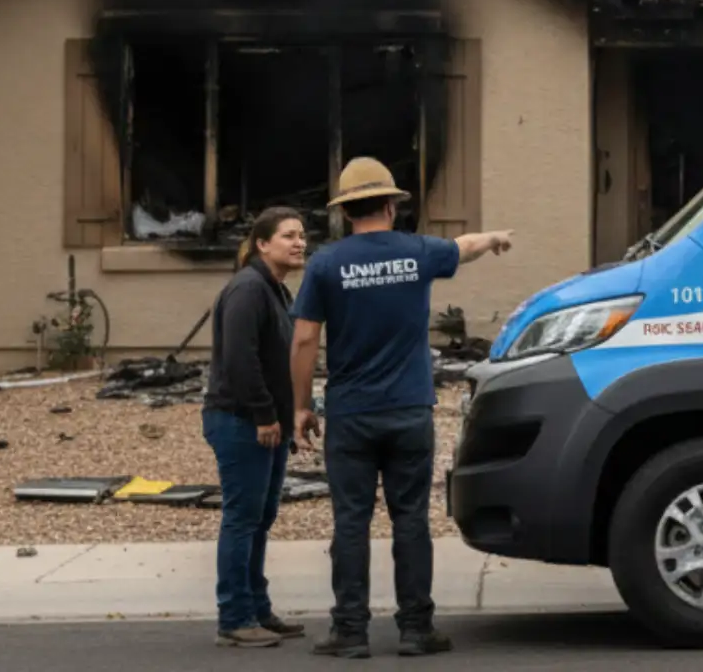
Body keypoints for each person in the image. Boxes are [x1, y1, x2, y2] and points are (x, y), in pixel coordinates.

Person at [292, 157, 513, 659]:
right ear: (391, 206)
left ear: (347, 213)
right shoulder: (418, 252)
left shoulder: (326, 264)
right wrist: (495, 236)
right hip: (409, 410)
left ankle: (350, 631)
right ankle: (416, 628)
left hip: (350, 414)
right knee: (409, 519)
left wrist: (300, 407)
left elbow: (304, 338)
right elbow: (466, 246)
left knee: (351, 521)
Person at [202, 206, 310, 648]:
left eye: (302, 235)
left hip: (269, 424)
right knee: (243, 519)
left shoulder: (276, 290)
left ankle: (257, 609)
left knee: (260, 519)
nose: (299, 242)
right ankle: (235, 615)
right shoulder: (248, 289)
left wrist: (295, 413)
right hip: (241, 421)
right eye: (288, 236)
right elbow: (240, 360)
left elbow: (279, 358)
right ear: (263, 243)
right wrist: (265, 416)